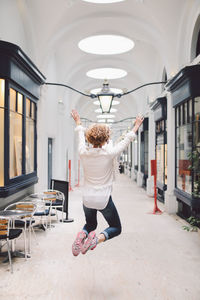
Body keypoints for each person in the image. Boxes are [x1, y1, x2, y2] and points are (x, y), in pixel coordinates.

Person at [71, 109, 144, 256]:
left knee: (91, 224)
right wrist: (136, 126)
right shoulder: (109, 154)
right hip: (103, 199)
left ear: (89, 138)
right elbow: (126, 141)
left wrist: (78, 121)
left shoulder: (83, 152)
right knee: (116, 227)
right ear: (106, 139)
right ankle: (95, 240)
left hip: (87, 198)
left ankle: (83, 235)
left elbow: (80, 135)